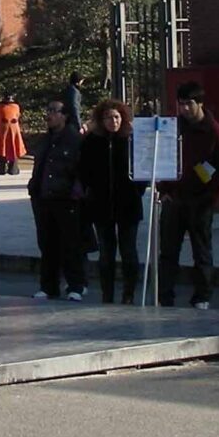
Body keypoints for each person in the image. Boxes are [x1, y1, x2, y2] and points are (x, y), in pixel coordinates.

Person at [158, 81, 219, 310]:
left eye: (189, 104)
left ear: (200, 103)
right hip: (174, 199)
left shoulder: (215, 132)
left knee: (201, 251)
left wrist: (210, 199)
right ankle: (164, 295)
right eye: (181, 104)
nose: (184, 109)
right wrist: (164, 190)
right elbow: (161, 158)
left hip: (200, 201)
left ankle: (202, 296)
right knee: (168, 251)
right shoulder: (173, 128)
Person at [77, 99, 142, 303]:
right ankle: (107, 294)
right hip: (101, 204)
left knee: (128, 251)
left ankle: (129, 293)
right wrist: (90, 192)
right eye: (108, 117)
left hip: (128, 204)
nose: (113, 121)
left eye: (116, 117)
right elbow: (83, 170)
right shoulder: (92, 142)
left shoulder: (131, 141)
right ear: (100, 120)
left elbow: (141, 171)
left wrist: (136, 191)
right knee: (106, 253)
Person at [27, 100, 87, 299]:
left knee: (70, 244)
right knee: (47, 244)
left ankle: (76, 286)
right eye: (48, 110)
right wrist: (33, 189)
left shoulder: (74, 139)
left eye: (54, 111)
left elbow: (82, 170)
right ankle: (48, 286)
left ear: (65, 115)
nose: (49, 115)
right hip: (44, 198)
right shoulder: (45, 140)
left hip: (65, 198)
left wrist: (76, 192)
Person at [0, 93, 25, 177]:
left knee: (1, 148)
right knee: (14, 147)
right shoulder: (16, 107)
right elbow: (17, 116)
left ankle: (1, 168)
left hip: (2, 130)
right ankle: (13, 168)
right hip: (14, 130)